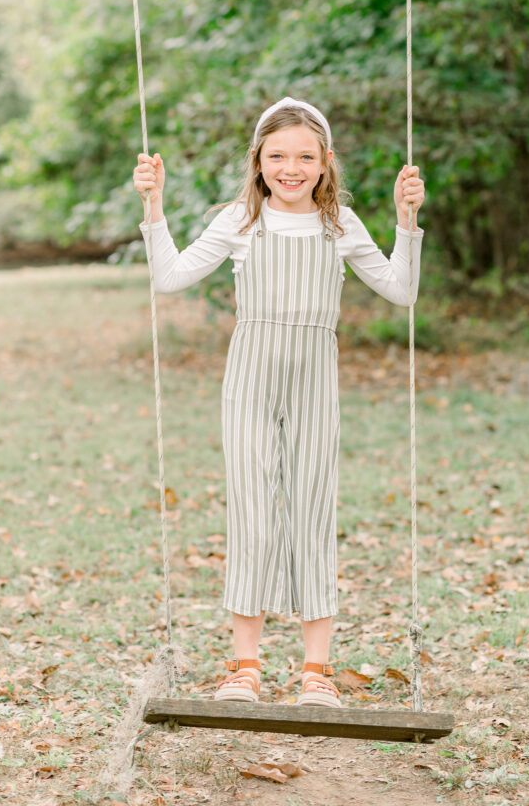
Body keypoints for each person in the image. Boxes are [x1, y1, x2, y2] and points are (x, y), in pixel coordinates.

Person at [133, 96, 425, 709]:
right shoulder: (239, 220)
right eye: (277, 156)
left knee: (314, 508)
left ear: (324, 163)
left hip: (316, 376)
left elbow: (400, 291)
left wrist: (406, 222)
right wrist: (153, 208)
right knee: (254, 511)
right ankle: (245, 666)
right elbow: (169, 278)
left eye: (304, 156)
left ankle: (315, 672)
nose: (290, 168)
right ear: (258, 162)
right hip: (251, 374)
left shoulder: (340, 225)